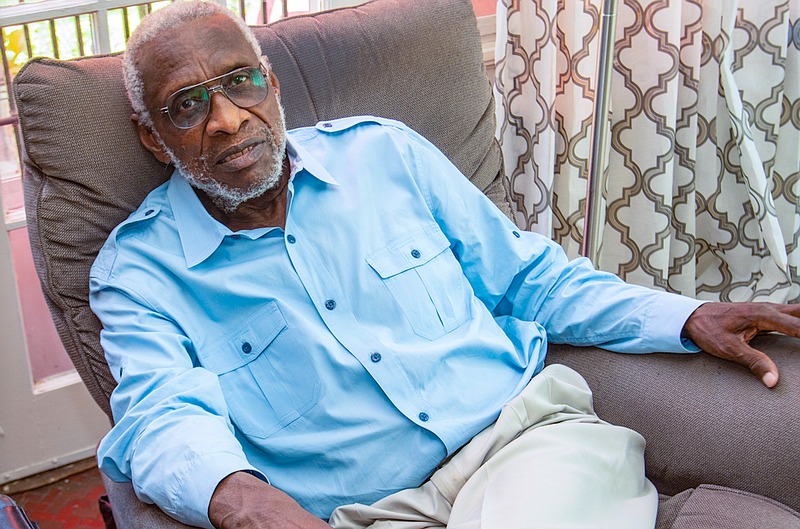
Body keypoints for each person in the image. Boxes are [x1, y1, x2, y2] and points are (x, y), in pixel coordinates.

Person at [89, 2, 799, 528]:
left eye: (240, 82)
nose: (226, 118)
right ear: (153, 139)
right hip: (370, 513)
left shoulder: (384, 155)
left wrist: (686, 314)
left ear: (271, 85)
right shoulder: (140, 273)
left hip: (520, 445)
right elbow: (162, 412)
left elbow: (529, 278)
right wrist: (243, 500)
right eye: (187, 105)